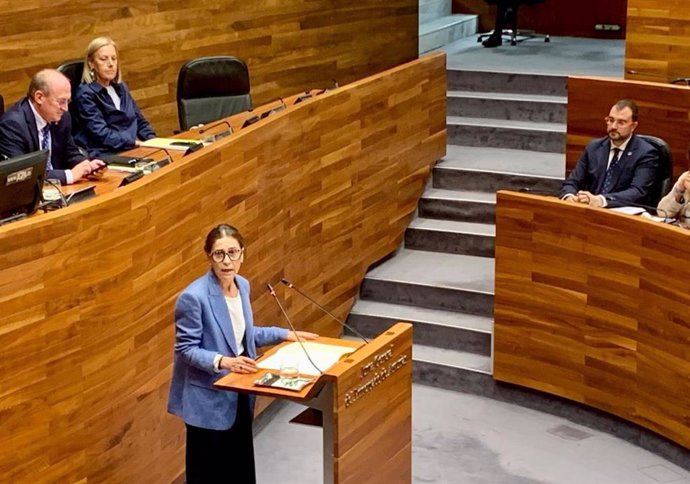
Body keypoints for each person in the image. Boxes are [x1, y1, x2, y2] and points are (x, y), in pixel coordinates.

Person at [167, 224, 318, 484]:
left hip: (239, 394)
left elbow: (245, 334)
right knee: (209, 476)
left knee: (240, 471)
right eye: (219, 254)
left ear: (243, 254)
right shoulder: (194, 297)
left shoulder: (243, 286)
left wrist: (284, 334)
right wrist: (223, 361)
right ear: (209, 257)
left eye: (233, 252)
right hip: (208, 401)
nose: (227, 261)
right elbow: (185, 349)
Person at [0, 69, 106, 184]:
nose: (65, 108)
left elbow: (70, 152)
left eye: (67, 101)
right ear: (39, 97)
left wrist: (86, 166)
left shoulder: (62, 117)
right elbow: (22, 174)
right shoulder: (12, 125)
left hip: (60, 191)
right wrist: (69, 175)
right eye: (61, 101)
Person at [559, 99, 659, 209]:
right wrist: (569, 196)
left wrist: (601, 200)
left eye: (621, 122)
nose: (613, 126)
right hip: (589, 210)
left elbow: (637, 191)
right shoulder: (594, 147)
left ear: (633, 126)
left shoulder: (646, 153)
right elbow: (572, 182)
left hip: (621, 214)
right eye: (611, 120)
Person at [73, 37, 156, 156]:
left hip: (133, 148)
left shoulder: (121, 88)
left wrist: (153, 140)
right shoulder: (85, 94)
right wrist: (135, 143)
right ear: (91, 63)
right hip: (107, 154)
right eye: (103, 59)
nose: (111, 64)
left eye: (114, 59)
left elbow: (140, 121)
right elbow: (102, 134)